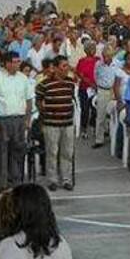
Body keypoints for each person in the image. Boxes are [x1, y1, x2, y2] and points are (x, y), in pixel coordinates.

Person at [0, 51, 36, 191]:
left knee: (18, 151)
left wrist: (27, 119)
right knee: (1, 152)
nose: (17, 64)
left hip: (19, 119)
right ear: (6, 63)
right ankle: (2, 183)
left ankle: (17, 181)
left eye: (18, 61)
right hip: (2, 119)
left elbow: (29, 100)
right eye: (14, 62)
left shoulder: (23, 79)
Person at [37, 57, 77, 191]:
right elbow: (39, 101)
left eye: (67, 66)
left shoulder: (70, 83)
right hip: (51, 124)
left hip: (68, 123)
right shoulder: (44, 85)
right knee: (52, 152)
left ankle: (66, 179)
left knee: (67, 152)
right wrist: (45, 114)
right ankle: (52, 180)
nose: (67, 69)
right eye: (64, 66)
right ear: (55, 68)